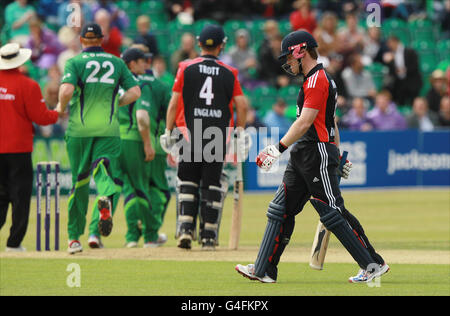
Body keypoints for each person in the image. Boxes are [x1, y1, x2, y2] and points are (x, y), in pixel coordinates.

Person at [235, 30, 388, 284]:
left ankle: (373, 265)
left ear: (300, 51)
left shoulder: (318, 79)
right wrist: (337, 153)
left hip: (315, 152)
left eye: (289, 57)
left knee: (332, 212)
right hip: (304, 153)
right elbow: (332, 122)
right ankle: (264, 270)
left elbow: (306, 122)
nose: (287, 63)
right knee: (280, 209)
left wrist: (277, 148)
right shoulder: (312, 80)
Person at [56, 23, 141, 254]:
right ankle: (104, 198)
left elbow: (65, 92)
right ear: (102, 40)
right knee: (104, 171)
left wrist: (62, 107)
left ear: (82, 40)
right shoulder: (117, 62)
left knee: (80, 182)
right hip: (108, 128)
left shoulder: (74, 62)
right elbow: (135, 93)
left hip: (79, 130)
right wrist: (116, 103)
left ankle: (74, 239)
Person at [162, 25, 248, 250]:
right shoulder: (230, 72)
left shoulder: (185, 67)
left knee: (187, 181)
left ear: (199, 44)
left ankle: (185, 229)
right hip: (217, 134)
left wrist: (168, 130)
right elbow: (241, 104)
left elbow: (173, 103)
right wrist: (240, 130)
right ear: (222, 45)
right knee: (211, 184)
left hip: (188, 132)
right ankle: (209, 236)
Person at [0, 43, 62, 252]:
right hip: (18, 149)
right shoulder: (28, 85)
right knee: (20, 197)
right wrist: (58, 111)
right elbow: (41, 117)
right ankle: (14, 244)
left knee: (0, 196)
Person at [383, 35, 422, 106]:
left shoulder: (410, 51)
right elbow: (392, 72)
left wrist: (404, 70)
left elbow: (415, 66)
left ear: (395, 42)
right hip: (399, 84)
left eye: (390, 43)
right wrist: (390, 62)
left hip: (412, 82)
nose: (389, 46)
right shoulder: (391, 54)